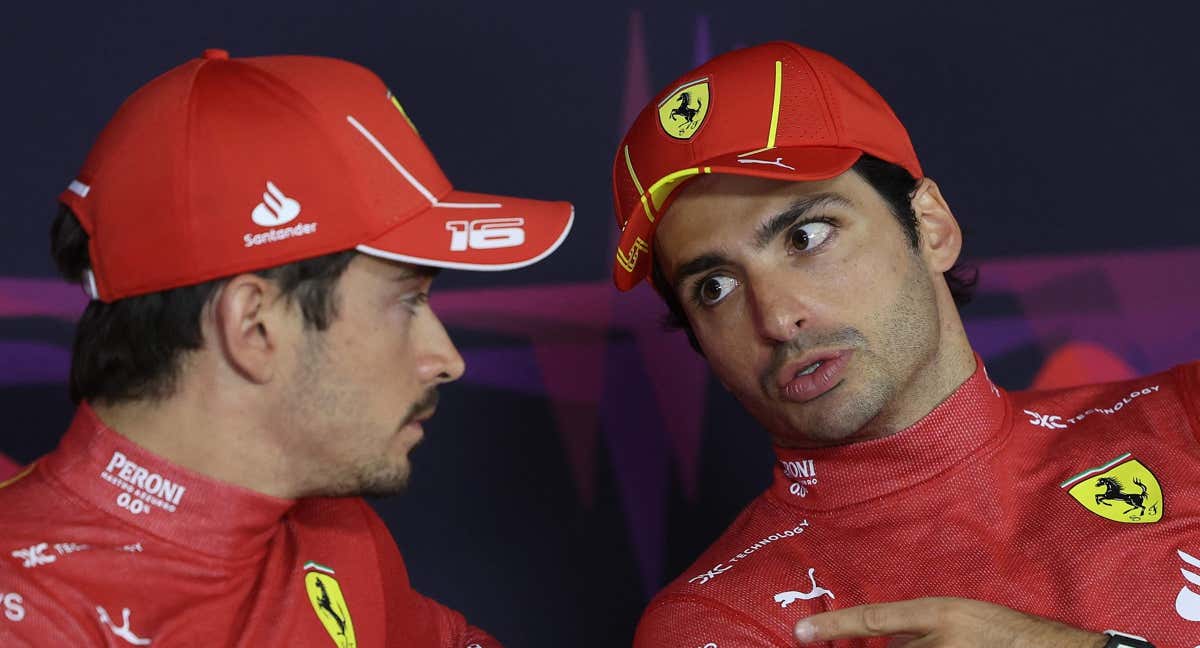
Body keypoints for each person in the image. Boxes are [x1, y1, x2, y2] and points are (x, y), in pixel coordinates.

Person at [611, 41, 1198, 648]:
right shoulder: (718, 622)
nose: (778, 318)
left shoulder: (1184, 417)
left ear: (932, 227)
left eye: (806, 237)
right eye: (716, 287)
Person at [0, 48, 573, 646]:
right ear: (254, 327)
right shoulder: (24, 612)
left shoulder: (334, 530)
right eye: (408, 301)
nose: (446, 360)